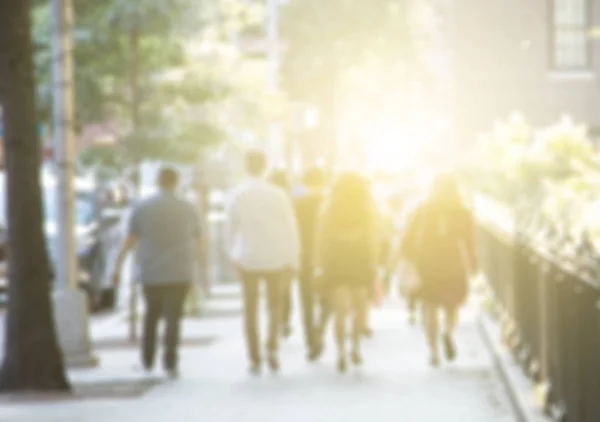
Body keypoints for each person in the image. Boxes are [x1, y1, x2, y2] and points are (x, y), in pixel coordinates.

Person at [111, 167, 202, 378]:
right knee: (173, 318)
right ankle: (170, 361)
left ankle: (147, 359)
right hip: (180, 271)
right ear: (176, 182)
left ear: (158, 181)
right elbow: (199, 241)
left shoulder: (143, 207)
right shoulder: (188, 208)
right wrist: (197, 266)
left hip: (151, 271)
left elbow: (129, 241)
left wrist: (117, 267)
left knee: (151, 315)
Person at [226, 150, 300, 375]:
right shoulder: (278, 195)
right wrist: (293, 259)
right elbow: (291, 228)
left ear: (246, 166)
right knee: (275, 305)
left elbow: (230, 230)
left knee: (250, 308)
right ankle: (272, 348)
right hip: (276, 257)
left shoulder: (237, 194)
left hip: (248, 257)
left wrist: (233, 257)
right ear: (265, 166)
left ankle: (254, 355)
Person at [401, 173, 476, 367]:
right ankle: (448, 332)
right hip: (453, 264)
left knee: (429, 308)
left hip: (428, 264)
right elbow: (470, 242)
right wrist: (474, 265)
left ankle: (433, 352)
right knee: (452, 305)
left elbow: (408, 237)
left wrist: (409, 260)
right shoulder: (462, 212)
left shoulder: (424, 210)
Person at [314, 172, 379, 373]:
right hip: (359, 260)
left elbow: (321, 239)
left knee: (339, 311)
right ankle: (355, 348)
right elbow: (372, 239)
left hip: (336, 261)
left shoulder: (329, 209)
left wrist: (320, 264)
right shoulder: (366, 210)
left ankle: (340, 352)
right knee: (360, 307)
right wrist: (374, 264)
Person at [294, 166, 329, 360]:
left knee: (306, 299)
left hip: (304, 257)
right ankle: (320, 328)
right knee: (328, 298)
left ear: (305, 183)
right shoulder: (330, 203)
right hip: (327, 257)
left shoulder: (298, 204)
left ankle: (310, 340)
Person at [268, 168, 294, 339]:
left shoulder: (269, 199)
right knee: (285, 289)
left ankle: (276, 321)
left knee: (273, 289)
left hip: (271, 250)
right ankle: (284, 321)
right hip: (285, 251)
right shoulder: (289, 199)